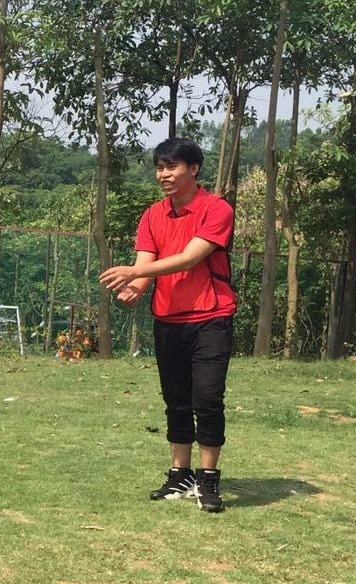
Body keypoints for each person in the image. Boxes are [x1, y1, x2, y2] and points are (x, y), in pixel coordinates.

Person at [99, 137, 236, 513]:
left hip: (211, 317)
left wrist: (134, 272)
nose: (164, 174)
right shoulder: (152, 215)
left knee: (207, 399)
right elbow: (146, 261)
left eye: (172, 167)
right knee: (176, 400)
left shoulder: (216, 209)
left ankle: (208, 480)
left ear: (193, 169)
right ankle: (180, 475)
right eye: (160, 168)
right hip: (168, 319)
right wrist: (135, 287)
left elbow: (190, 258)